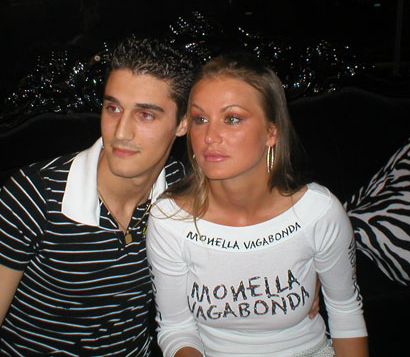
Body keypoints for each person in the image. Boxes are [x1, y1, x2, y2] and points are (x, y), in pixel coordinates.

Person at [0, 36, 195, 357]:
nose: (121, 131)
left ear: (182, 123)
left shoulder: (180, 189)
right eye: (113, 108)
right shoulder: (37, 194)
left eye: (145, 115)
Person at [146, 53, 368, 357]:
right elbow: (175, 328)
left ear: (271, 132)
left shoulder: (318, 212)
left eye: (232, 119)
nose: (210, 136)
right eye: (200, 119)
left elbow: (345, 312)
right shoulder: (170, 220)